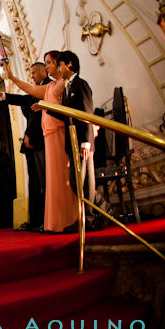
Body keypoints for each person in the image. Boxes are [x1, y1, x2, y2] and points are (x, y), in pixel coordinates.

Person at [2, 51, 78, 233]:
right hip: (48, 135)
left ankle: (70, 217)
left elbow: (69, 109)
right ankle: (57, 220)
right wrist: (11, 77)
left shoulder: (67, 84)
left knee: (61, 177)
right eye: (48, 63)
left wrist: (44, 107)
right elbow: (29, 91)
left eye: (51, 63)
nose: (49, 66)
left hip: (59, 133)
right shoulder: (50, 86)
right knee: (53, 180)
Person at [0, 62, 50, 231]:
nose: (32, 76)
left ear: (43, 71)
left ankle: (46, 220)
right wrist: (2, 94)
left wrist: (31, 136)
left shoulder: (48, 88)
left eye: (34, 72)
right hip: (31, 145)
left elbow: (39, 116)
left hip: (41, 142)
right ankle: (35, 221)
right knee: (34, 184)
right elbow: (22, 99)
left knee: (44, 183)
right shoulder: (35, 91)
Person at [48, 50, 99, 231]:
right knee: (81, 182)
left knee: (80, 181)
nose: (58, 69)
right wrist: (45, 108)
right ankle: (93, 215)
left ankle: (89, 219)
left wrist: (86, 142)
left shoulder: (80, 84)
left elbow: (86, 113)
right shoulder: (69, 88)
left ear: (69, 64)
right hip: (74, 141)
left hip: (82, 141)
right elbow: (67, 114)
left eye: (59, 65)